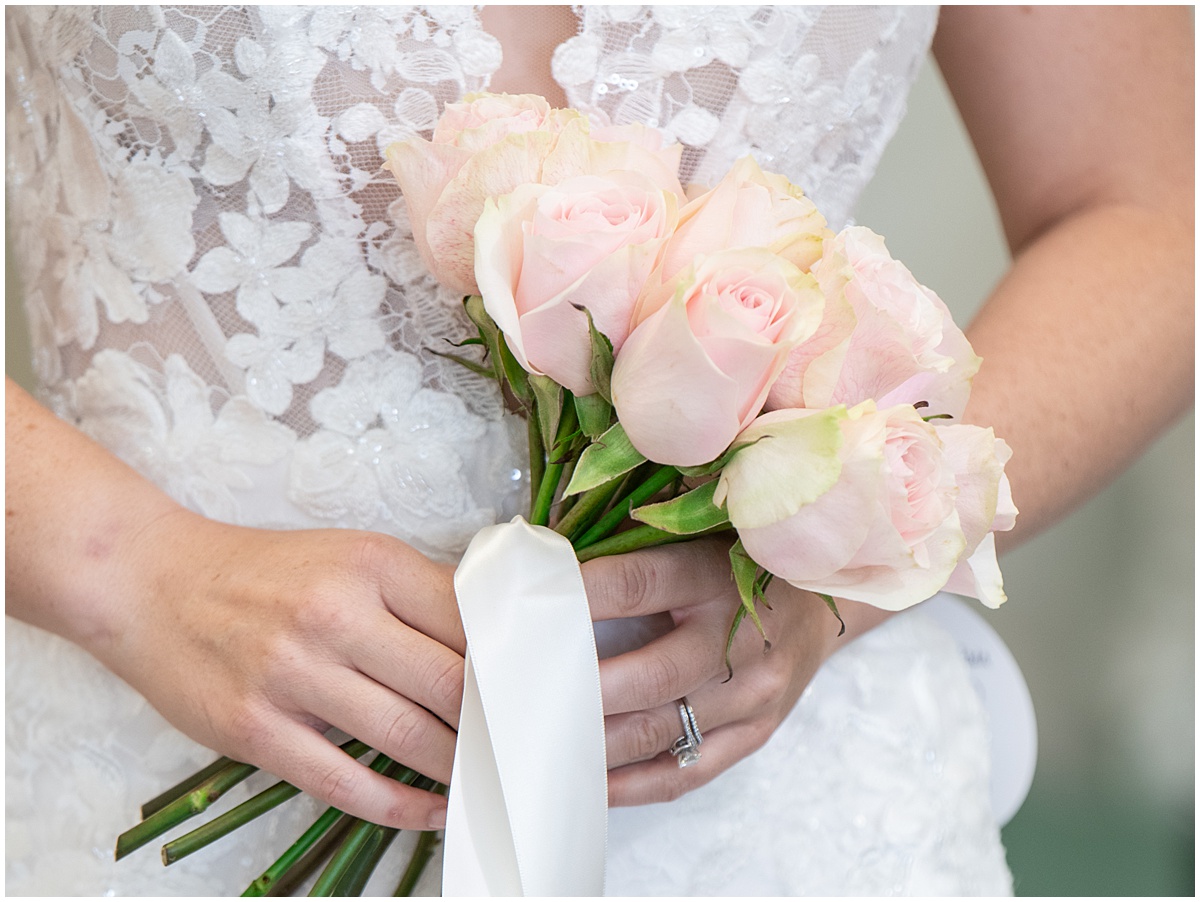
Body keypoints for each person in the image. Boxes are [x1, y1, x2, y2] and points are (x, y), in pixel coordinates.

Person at [5, 5, 1192, 895]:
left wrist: (843, 568)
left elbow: (1150, 207)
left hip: (782, 800)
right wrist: (128, 567)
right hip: (141, 752)